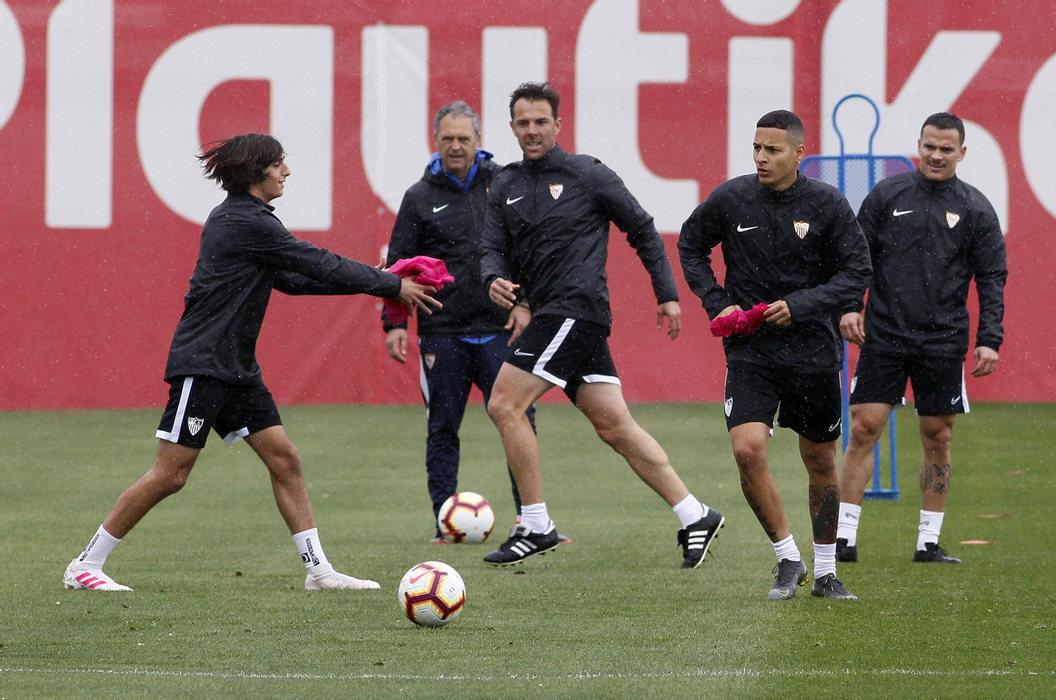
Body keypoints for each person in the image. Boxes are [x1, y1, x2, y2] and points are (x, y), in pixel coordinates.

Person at [64, 133, 441, 592]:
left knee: (285, 460)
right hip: (204, 365)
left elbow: (299, 279)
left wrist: (380, 282)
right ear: (255, 172)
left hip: (236, 368)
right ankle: (86, 565)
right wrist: (387, 284)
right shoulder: (246, 222)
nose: (286, 172)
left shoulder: (250, 223)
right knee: (171, 474)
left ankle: (318, 571)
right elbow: (316, 261)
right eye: (279, 164)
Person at [477, 82, 723, 569]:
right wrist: (492, 280)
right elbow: (491, 249)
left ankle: (535, 523)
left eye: (540, 122)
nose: (531, 130)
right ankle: (695, 513)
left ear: (558, 125)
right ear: (511, 127)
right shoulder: (504, 184)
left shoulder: (586, 173)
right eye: (523, 123)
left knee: (504, 403)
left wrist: (667, 293)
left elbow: (642, 227)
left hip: (575, 309)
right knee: (615, 426)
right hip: (554, 313)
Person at [678, 110, 872, 600]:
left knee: (820, 461)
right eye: (757, 148)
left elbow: (856, 271)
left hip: (813, 353)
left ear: (799, 153)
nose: (761, 158)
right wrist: (718, 301)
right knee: (747, 451)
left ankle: (826, 571)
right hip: (750, 352)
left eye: (773, 150)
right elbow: (690, 244)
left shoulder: (827, 204)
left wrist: (802, 306)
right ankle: (788, 559)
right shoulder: (733, 197)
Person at [836, 112, 1007, 564]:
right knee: (863, 427)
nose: (936, 155)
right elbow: (856, 256)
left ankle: (928, 543)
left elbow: (992, 278)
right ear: (919, 145)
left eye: (946, 149)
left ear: (961, 153)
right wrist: (851, 305)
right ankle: (844, 538)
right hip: (885, 332)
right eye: (929, 146)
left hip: (942, 340)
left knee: (938, 437)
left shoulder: (975, 208)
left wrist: (990, 338)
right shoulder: (887, 194)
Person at [382, 101, 539, 542]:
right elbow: (398, 265)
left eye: (463, 138)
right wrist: (393, 322)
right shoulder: (419, 196)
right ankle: (444, 524)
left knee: (520, 422)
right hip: (442, 332)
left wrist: (523, 302)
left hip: (499, 329)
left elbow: (525, 250)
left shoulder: (504, 183)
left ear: (479, 140)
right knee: (442, 429)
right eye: (448, 138)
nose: (455, 146)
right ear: (436, 141)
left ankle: (532, 519)